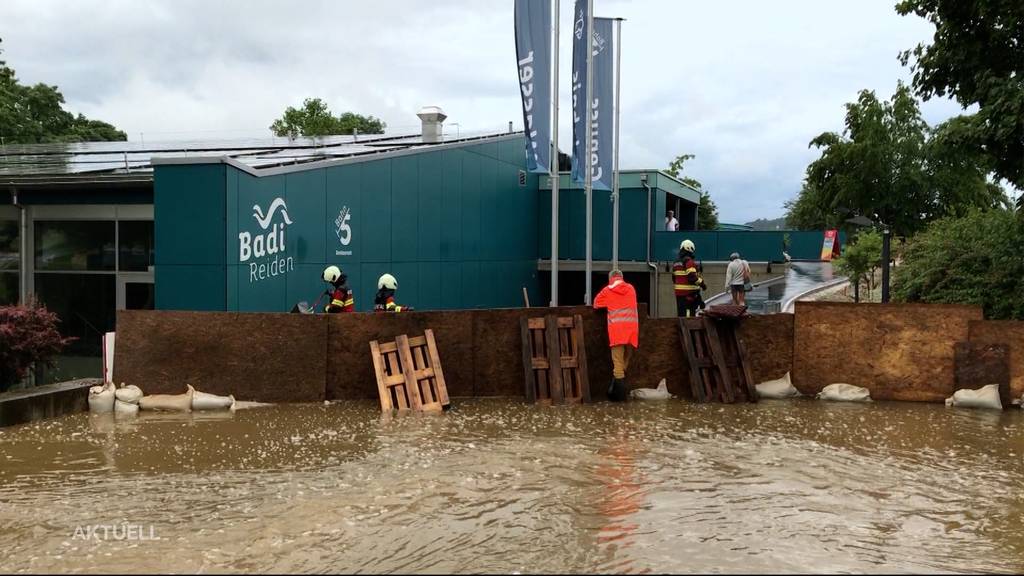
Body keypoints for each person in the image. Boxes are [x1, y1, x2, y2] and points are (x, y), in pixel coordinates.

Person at [593, 269, 639, 402]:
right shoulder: (631, 288)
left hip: (617, 334)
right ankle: (615, 388)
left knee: (618, 367)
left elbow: (596, 304)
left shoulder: (608, 290)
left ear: (610, 279)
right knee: (624, 363)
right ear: (622, 278)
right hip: (631, 333)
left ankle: (620, 400)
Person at [672, 239, 706, 317]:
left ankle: (682, 328)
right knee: (688, 315)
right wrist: (702, 284)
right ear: (689, 248)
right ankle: (688, 328)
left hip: (679, 294)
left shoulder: (676, 263)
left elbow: (674, 278)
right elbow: (692, 277)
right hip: (688, 294)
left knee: (681, 314)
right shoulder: (689, 262)